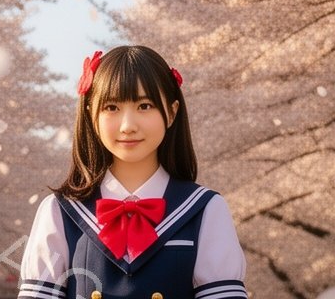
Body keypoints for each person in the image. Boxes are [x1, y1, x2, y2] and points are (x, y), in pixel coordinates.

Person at [18, 45, 248, 299]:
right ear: (90, 115)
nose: (128, 126)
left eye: (145, 106)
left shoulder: (205, 209)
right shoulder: (60, 212)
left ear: (171, 112)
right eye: (111, 108)